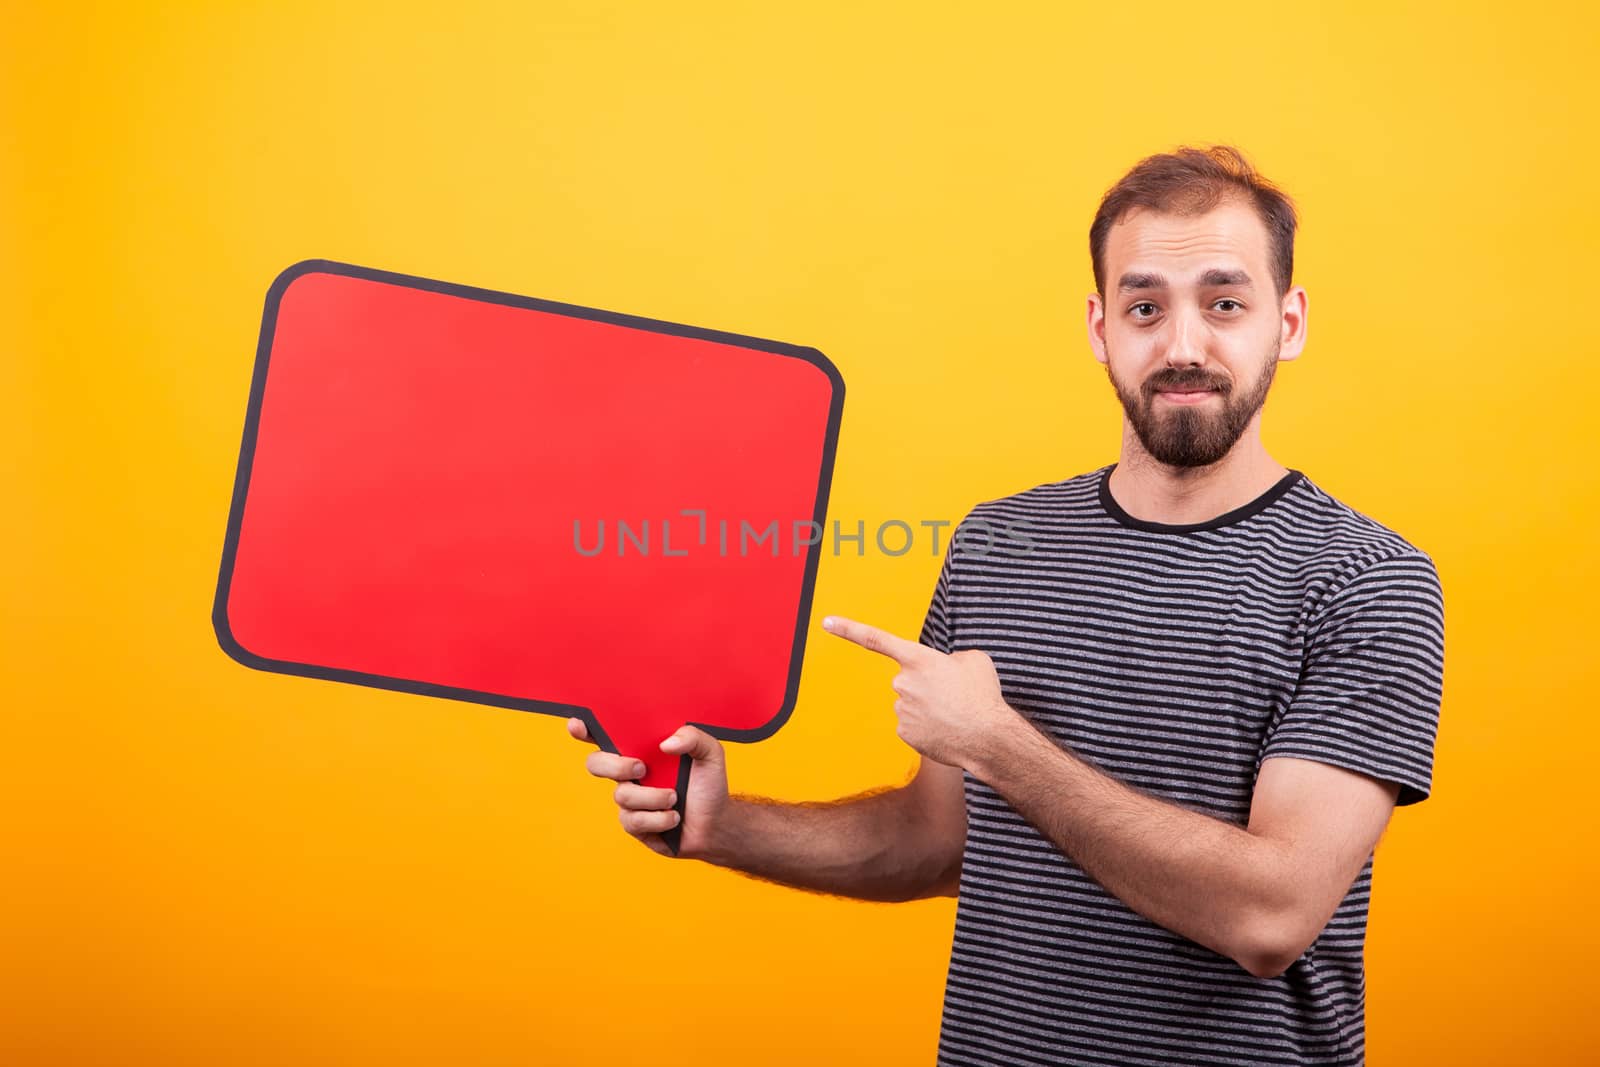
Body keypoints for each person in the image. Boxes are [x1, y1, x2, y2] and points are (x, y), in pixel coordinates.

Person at [568, 144, 1445, 1066]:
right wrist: (723, 824)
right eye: (1146, 307)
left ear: (1289, 321)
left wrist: (997, 741)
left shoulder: (1367, 580)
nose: (1184, 345)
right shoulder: (1000, 543)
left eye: (1226, 303)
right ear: (1102, 327)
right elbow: (936, 841)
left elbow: (1271, 913)